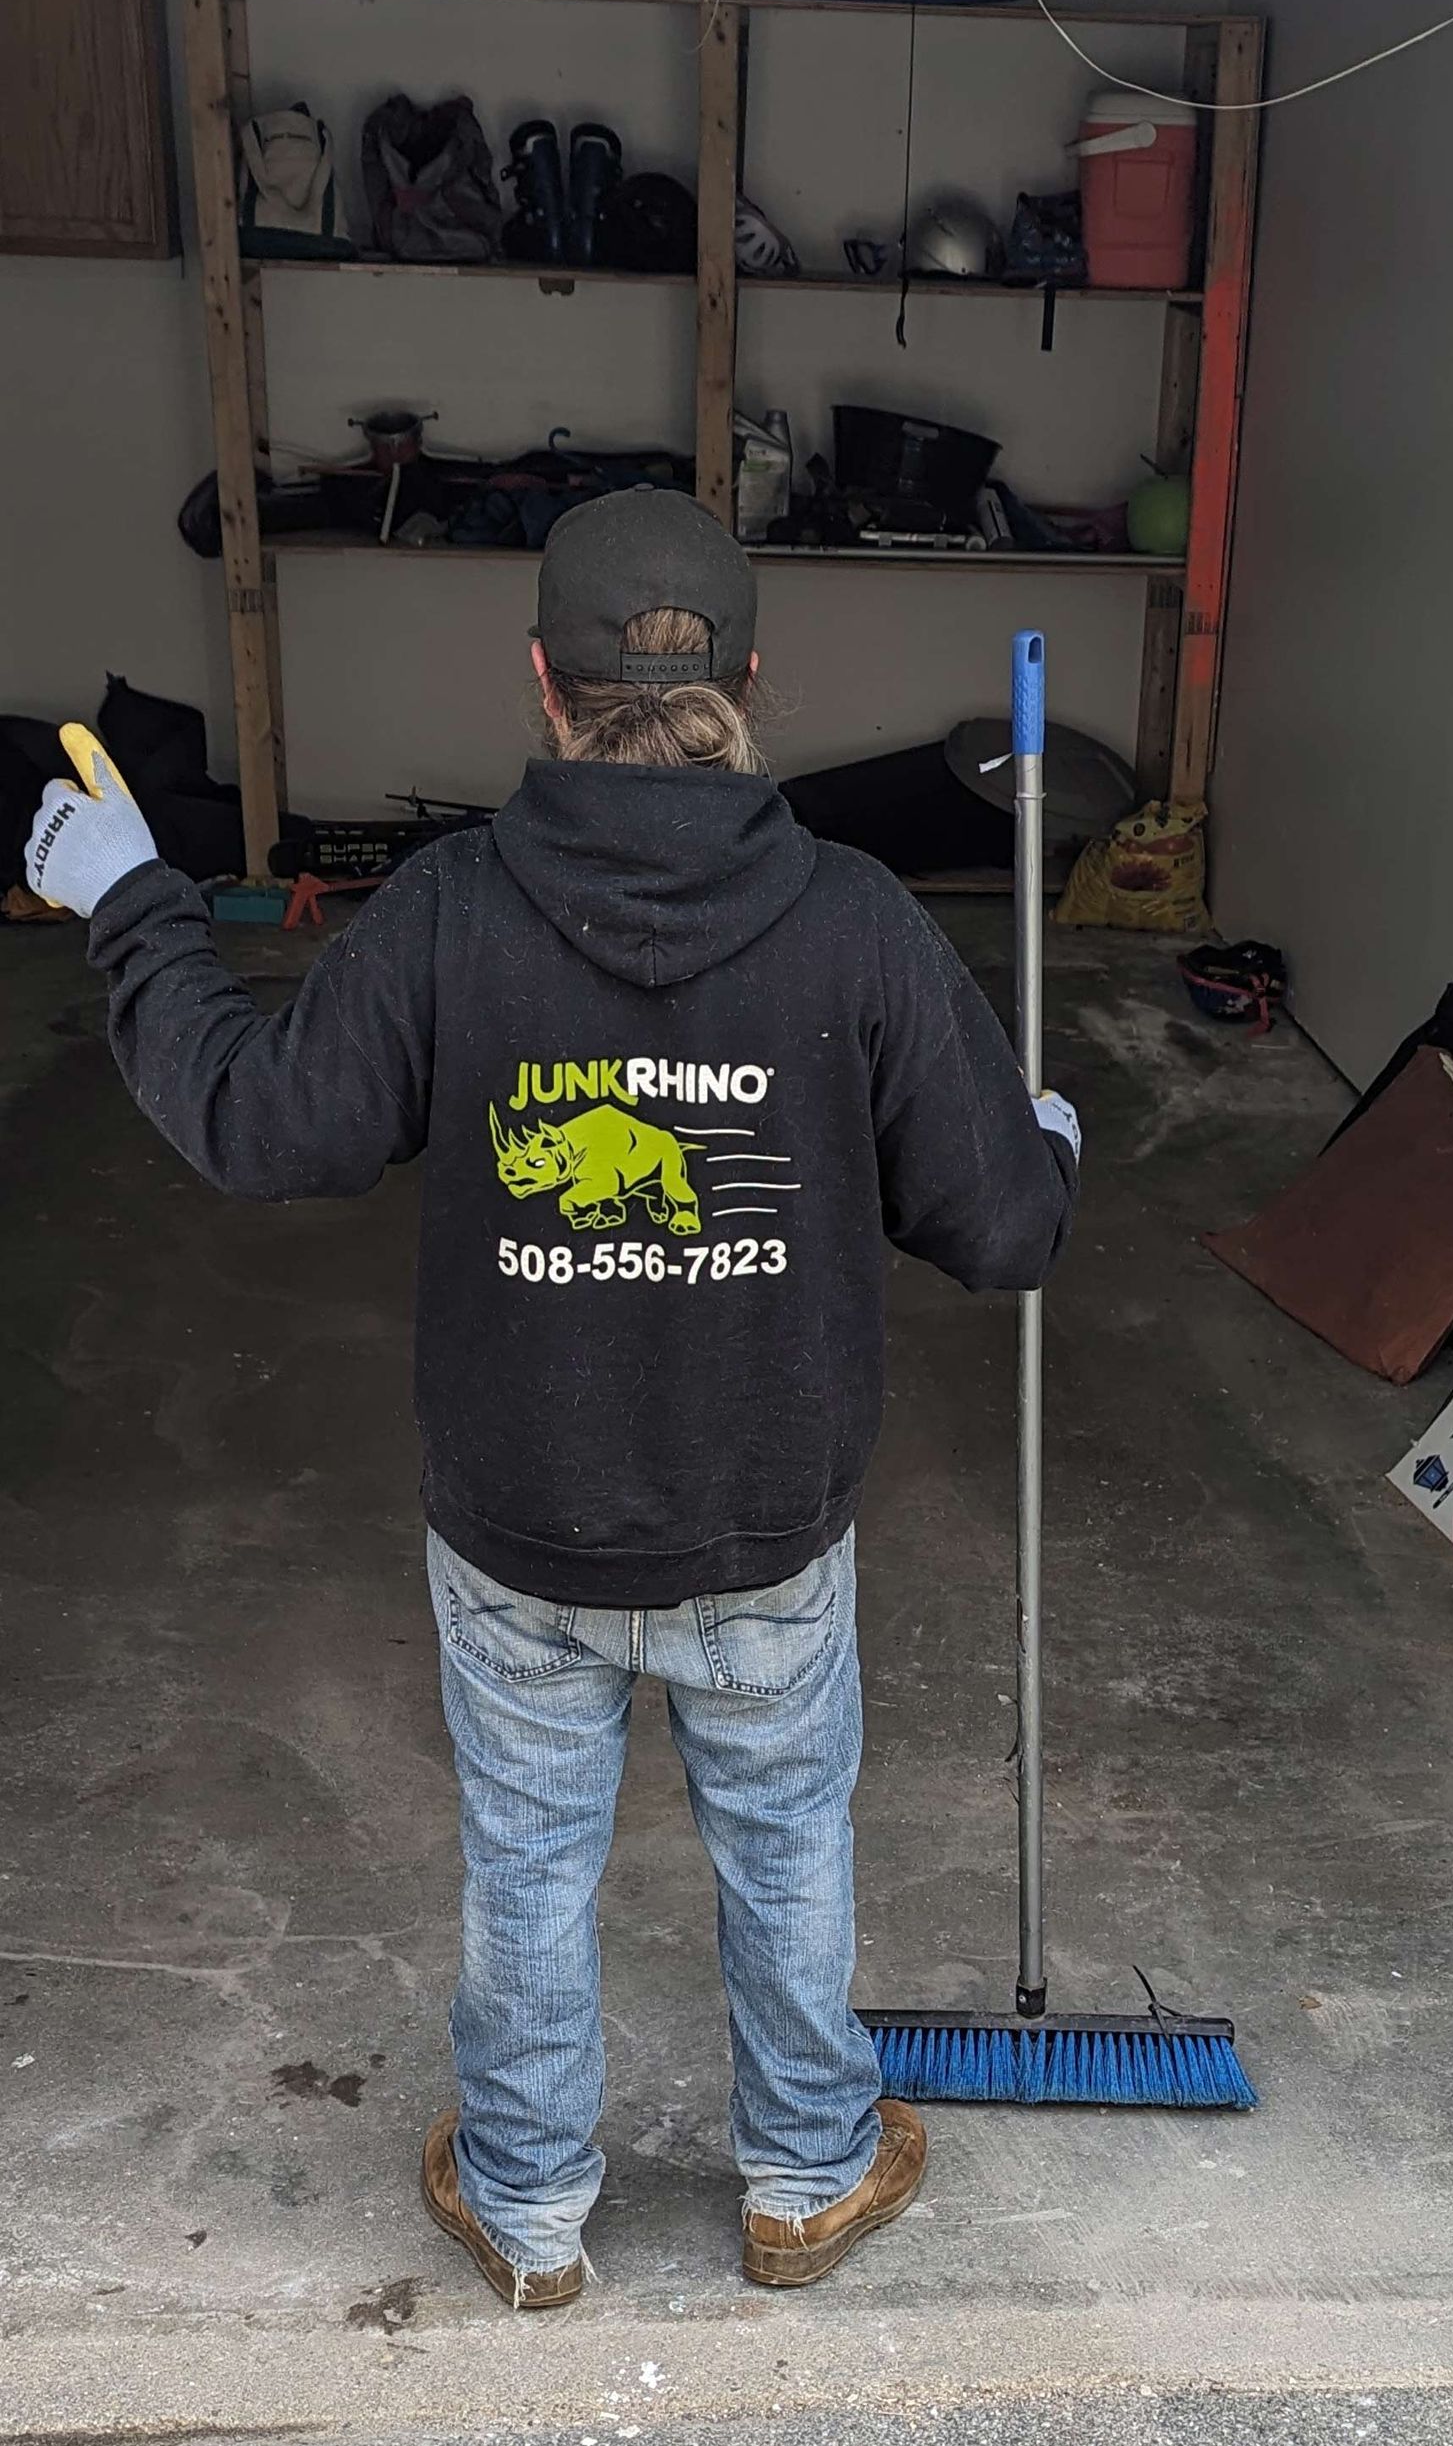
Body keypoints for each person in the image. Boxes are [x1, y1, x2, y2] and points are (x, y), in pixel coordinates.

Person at [26, 491, 1079, 2311]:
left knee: (527, 1852)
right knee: (786, 1836)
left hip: (518, 1529)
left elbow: (265, 1122)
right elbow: (1000, 1225)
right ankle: (808, 2177)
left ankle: (527, 2208)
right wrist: (1041, 1144)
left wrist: (130, 901)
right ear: (754, 681)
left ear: (541, 679)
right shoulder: (854, 920)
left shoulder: (449, 913)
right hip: (766, 1525)